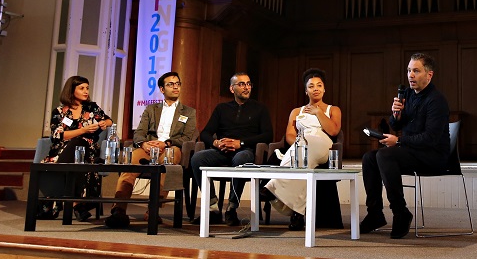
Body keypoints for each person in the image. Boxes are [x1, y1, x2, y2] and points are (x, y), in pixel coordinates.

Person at [361, 52, 450, 239]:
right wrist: (396, 115)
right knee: (370, 158)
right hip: (411, 151)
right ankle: (375, 213)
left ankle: (400, 212)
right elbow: (396, 126)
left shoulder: (436, 100)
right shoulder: (407, 95)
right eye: (409, 70)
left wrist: (399, 141)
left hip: (432, 156)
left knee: (385, 155)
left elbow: (430, 138)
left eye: (416, 71)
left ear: (429, 75)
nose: (410, 75)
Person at [104, 71, 197, 229]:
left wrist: (166, 143)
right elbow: (139, 132)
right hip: (148, 147)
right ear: (162, 89)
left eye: (178, 84)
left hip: (171, 148)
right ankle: (118, 210)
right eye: (171, 84)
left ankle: (153, 209)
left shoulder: (188, 112)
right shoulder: (151, 109)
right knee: (129, 164)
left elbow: (188, 137)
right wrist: (143, 144)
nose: (175, 87)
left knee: (167, 164)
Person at [190, 72, 273, 226]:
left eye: (248, 84)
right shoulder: (222, 108)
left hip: (245, 151)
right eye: (241, 84)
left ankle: (232, 208)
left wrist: (240, 143)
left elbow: (268, 135)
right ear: (232, 88)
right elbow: (205, 133)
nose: (246, 87)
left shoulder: (260, 108)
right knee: (197, 158)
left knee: (240, 159)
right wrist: (216, 143)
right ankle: (213, 207)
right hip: (222, 151)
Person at [264, 68, 342, 230]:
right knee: (301, 157)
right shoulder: (296, 111)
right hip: (301, 145)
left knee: (304, 148)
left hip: (322, 144)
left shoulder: (332, 109)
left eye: (319, 85)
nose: (315, 89)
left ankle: (274, 188)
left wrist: (318, 112)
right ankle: (298, 214)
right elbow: (289, 136)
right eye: (311, 86)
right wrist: (301, 140)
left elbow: (334, 131)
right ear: (306, 90)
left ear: (324, 89)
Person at [44, 75, 113, 221]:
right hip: (62, 150)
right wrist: (83, 130)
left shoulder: (92, 107)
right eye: (81, 88)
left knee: (80, 143)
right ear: (71, 90)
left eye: (87, 88)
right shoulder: (59, 112)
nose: (86, 91)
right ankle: (76, 204)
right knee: (77, 143)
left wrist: (104, 124)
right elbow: (57, 136)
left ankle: (66, 199)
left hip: (88, 151)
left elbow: (109, 120)